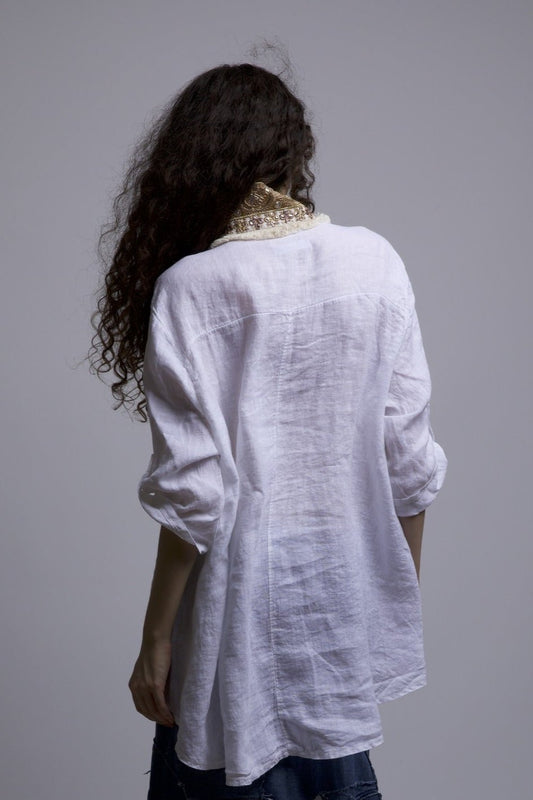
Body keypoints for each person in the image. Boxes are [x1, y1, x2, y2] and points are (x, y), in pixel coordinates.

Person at [88, 59, 448, 800]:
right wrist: (386, 595)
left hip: (230, 637)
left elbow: (194, 495)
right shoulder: (373, 262)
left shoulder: (192, 288)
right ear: (293, 151)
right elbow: (409, 464)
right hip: (334, 625)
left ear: (190, 164)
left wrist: (155, 641)